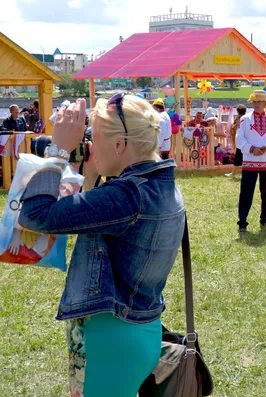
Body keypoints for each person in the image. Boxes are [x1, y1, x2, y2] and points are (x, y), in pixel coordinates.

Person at [17, 95, 184, 396]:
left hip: (109, 339)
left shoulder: (126, 197)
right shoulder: (158, 184)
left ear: (120, 145)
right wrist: (91, 174)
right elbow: (101, 226)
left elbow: (34, 216)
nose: (90, 143)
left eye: (94, 136)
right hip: (138, 331)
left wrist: (57, 151)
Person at [236, 90, 266, 232]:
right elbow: (239, 139)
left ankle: (265, 218)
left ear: (265, 103)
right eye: (254, 101)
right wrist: (251, 149)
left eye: (259, 101)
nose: (257, 104)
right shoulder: (245, 119)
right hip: (250, 161)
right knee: (246, 192)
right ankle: (242, 221)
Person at [226, 104, 247, 179]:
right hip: (244, 141)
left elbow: (236, 128)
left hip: (240, 141)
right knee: (241, 157)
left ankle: (233, 173)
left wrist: (234, 126)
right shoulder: (246, 118)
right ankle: (234, 173)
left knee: (238, 158)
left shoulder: (240, 119)